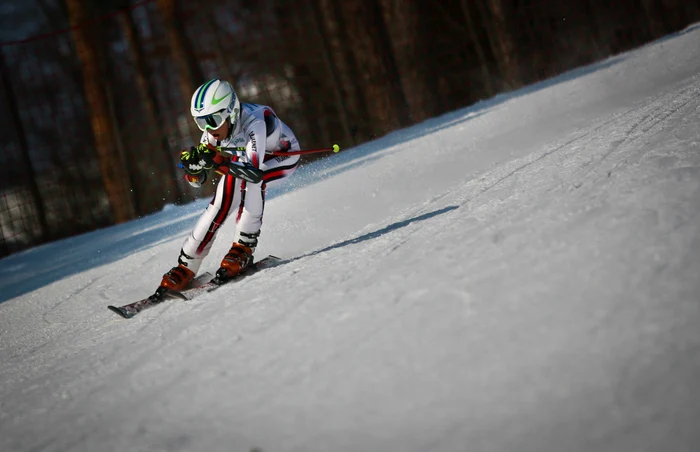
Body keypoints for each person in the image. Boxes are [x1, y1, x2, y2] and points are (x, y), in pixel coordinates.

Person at [159, 78, 300, 291]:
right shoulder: (213, 130)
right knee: (221, 199)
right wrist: (194, 170)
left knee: (251, 184)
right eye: (200, 122)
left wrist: (215, 161)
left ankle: (243, 247)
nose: (208, 128)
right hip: (248, 162)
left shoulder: (255, 123)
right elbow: (198, 181)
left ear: (230, 112)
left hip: (282, 156)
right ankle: (187, 264)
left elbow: (253, 173)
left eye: (213, 120)